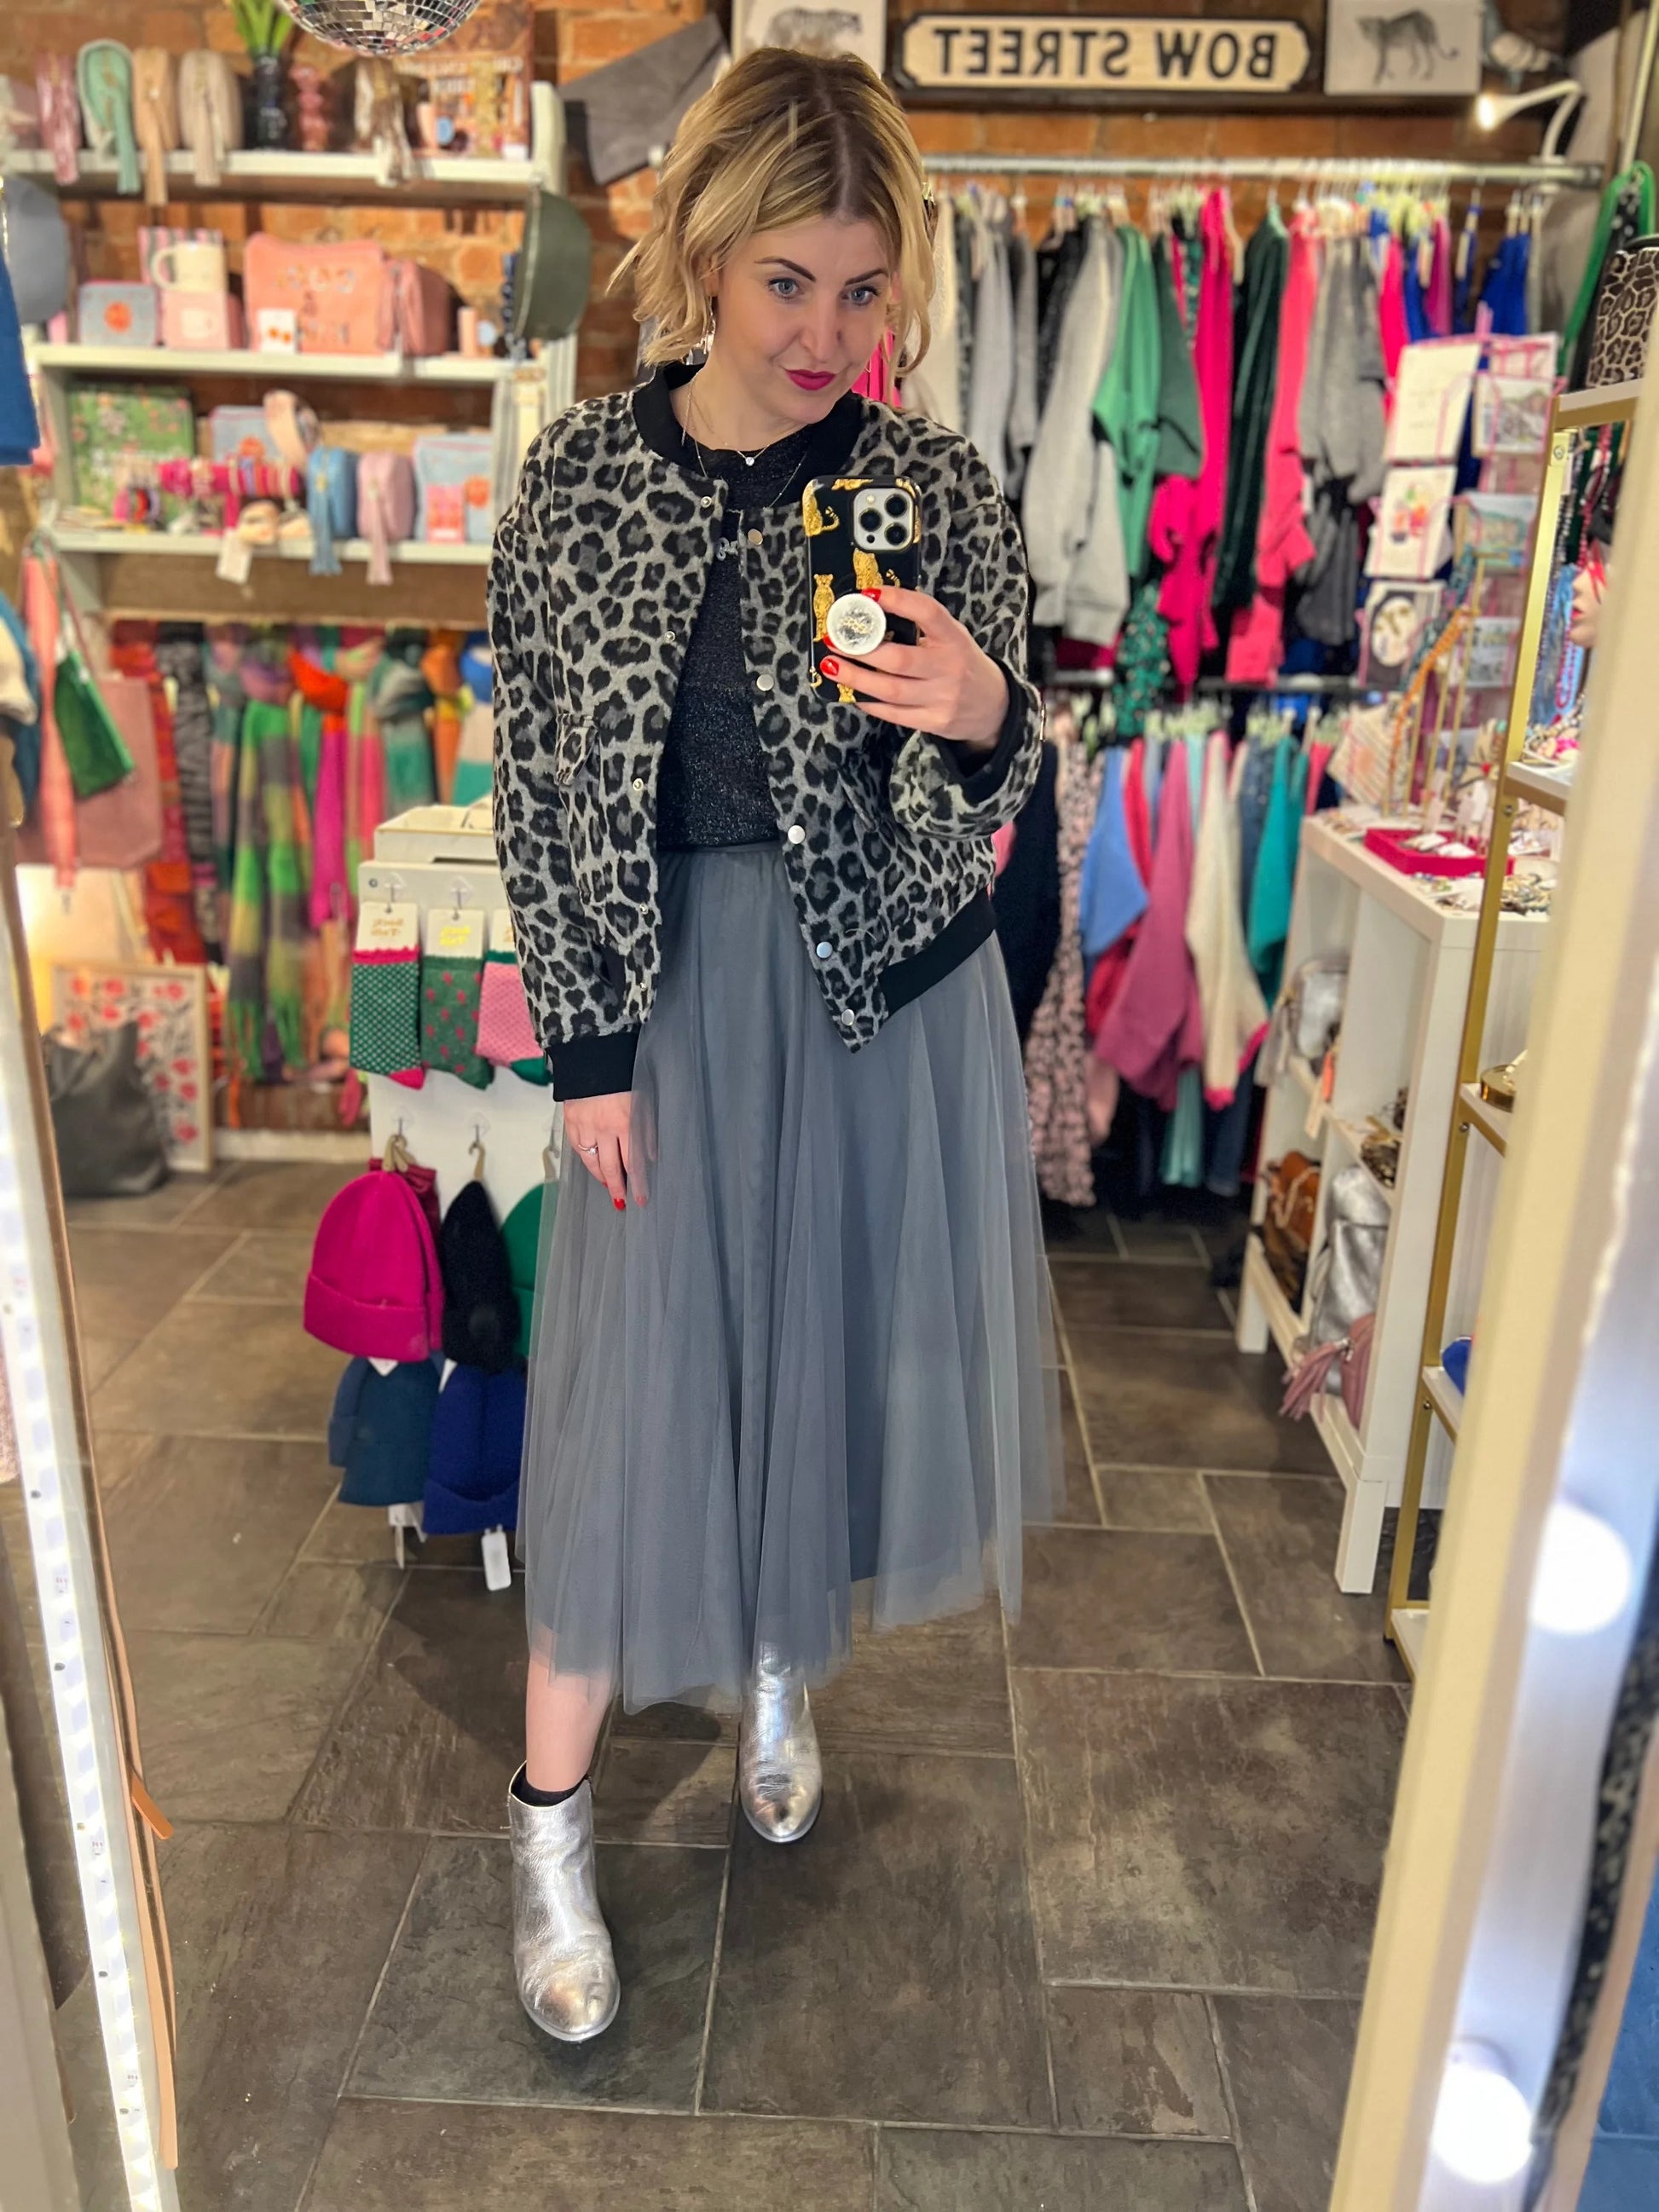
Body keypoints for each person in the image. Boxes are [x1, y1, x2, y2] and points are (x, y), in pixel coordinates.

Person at [488, 44, 1058, 2045]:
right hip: (661, 1011)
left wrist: (986, 707)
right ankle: (549, 1838)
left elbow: (987, 808)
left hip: (864, 1002)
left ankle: (774, 1661)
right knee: (623, 1408)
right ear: (706, 258)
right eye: (790, 281)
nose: (829, 331)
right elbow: (544, 784)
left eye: (865, 286)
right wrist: (585, 1047)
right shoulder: (578, 486)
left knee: (807, 1366)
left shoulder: (923, 491)